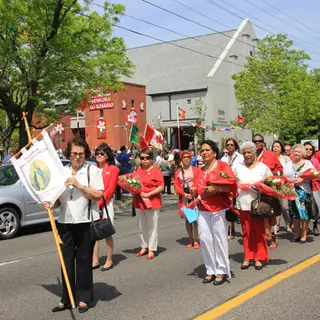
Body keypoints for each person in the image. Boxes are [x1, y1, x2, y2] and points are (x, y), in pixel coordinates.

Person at [42, 136, 104, 313]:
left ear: (86, 155)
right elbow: (58, 201)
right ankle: (67, 297)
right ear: (69, 154)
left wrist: (79, 185)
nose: (78, 157)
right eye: (74, 154)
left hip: (85, 222)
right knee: (66, 261)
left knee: (83, 261)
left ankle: (84, 297)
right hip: (64, 223)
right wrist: (50, 204)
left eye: (81, 154)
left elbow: (98, 195)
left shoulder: (92, 171)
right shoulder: (61, 172)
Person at [195, 140, 237, 285]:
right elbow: (199, 188)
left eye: (207, 150)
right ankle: (210, 269)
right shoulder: (201, 170)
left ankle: (222, 270)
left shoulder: (222, 166)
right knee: (205, 239)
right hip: (202, 209)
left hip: (219, 208)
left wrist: (217, 189)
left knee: (219, 239)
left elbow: (232, 185)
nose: (204, 153)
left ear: (214, 152)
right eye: (202, 150)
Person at [234, 141, 272, 270]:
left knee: (259, 232)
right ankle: (247, 256)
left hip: (258, 205)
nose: (247, 155)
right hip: (242, 204)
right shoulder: (237, 167)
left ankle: (259, 257)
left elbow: (271, 183)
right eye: (244, 153)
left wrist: (260, 187)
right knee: (246, 232)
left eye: (249, 152)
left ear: (255, 153)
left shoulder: (263, 167)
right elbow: (232, 181)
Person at [92, 143, 119, 271]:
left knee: (106, 231)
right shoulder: (92, 168)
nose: (99, 155)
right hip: (94, 204)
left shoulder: (113, 169)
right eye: (97, 153)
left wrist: (100, 203)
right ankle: (94, 260)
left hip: (106, 204)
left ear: (107, 155)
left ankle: (109, 260)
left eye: (102, 153)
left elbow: (110, 189)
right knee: (94, 233)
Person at [133, 149, 164, 260]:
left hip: (153, 201)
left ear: (151, 159)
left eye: (147, 158)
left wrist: (149, 194)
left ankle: (151, 248)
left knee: (152, 226)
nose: (144, 160)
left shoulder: (156, 171)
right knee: (141, 226)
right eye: (142, 158)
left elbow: (161, 186)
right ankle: (144, 246)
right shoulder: (138, 169)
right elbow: (133, 182)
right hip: (139, 201)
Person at [253, 134, 283, 245]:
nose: (257, 143)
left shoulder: (271, 155)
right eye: (255, 141)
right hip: (254, 190)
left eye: (259, 141)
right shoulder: (250, 155)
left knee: (271, 214)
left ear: (263, 142)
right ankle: (264, 236)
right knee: (259, 214)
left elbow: (280, 169)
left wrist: (274, 177)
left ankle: (273, 237)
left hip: (269, 189)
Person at [284, 144, 315, 244]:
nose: (296, 153)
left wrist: (303, 179)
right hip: (292, 191)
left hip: (304, 191)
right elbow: (284, 177)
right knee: (294, 213)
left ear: (303, 153)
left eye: (299, 151)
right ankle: (297, 233)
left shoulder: (308, 163)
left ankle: (304, 234)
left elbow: (314, 175)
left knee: (304, 213)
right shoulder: (289, 164)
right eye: (295, 151)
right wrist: (291, 179)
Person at [174, 150, 201, 248]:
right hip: (184, 198)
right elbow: (176, 185)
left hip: (194, 197)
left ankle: (196, 239)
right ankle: (190, 239)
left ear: (190, 158)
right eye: (184, 157)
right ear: (181, 159)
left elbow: (199, 182)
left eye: (188, 157)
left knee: (195, 219)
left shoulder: (196, 170)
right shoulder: (178, 172)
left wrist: (194, 191)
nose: (186, 159)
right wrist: (183, 193)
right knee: (188, 219)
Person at [221, 138, 244, 240]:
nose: (230, 146)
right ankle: (229, 229)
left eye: (231, 145)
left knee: (236, 207)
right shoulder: (223, 159)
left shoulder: (240, 158)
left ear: (235, 146)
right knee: (227, 207)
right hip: (226, 185)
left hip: (237, 184)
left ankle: (234, 227)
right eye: (228, 145)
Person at [272, 140, 292, 241]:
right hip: (273, 185)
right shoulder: (270, 157)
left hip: (284, 184)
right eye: (274, 146)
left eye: (277, 146)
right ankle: (277, 224)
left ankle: (288, 223)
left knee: (285, 206)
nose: (275, 148)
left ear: (281, 148)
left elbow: (289, 170)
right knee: (276, 206)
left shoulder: (286, 158)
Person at [303, 142, 320, 236]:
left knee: (315, 207)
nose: (309, 151)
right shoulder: (300, 161)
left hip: (314, 187)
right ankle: (306, 228)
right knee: (304, 207)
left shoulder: (315, 161)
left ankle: (315, 226)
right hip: (302, 187)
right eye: (306, 149)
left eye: (310, 149)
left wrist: (313, 175)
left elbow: (318, 174)